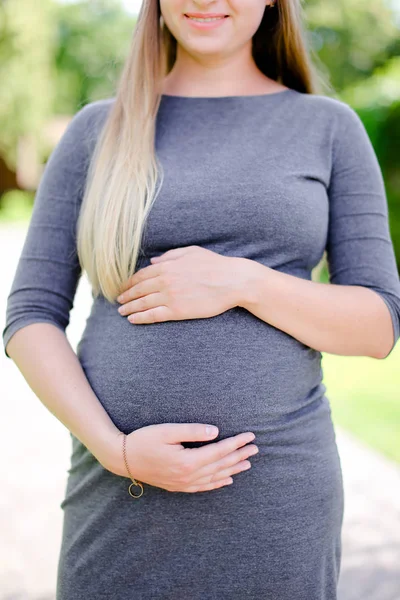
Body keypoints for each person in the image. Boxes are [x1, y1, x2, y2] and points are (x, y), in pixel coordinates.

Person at [3, 0, 400, 598]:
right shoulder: (97, 130)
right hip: (119, 495)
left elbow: (378, 327)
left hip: (276, 501)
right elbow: (29, 316)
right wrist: (119, 452)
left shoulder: (328, 127)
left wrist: (244, 281)